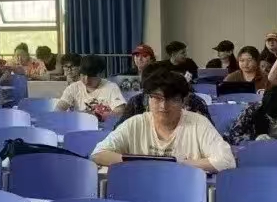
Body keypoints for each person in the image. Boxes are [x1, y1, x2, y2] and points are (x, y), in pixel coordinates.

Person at [92, 70, 235, 173]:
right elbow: (98, 153)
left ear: (184, 101)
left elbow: (227, 161)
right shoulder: (135, 123)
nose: (163, 106)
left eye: (172, 99)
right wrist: (142, 164)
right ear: (148, 99)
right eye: (157, 98)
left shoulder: (198, 124)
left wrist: (176, 165)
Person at [55, 55, 125, 121]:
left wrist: (98, 116)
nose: (86, 80)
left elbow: (120, 111)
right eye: (83, 75)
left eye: (90, 77)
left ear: (101, 74)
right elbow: (60, 107)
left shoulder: (111, 87)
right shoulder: (73, 88)